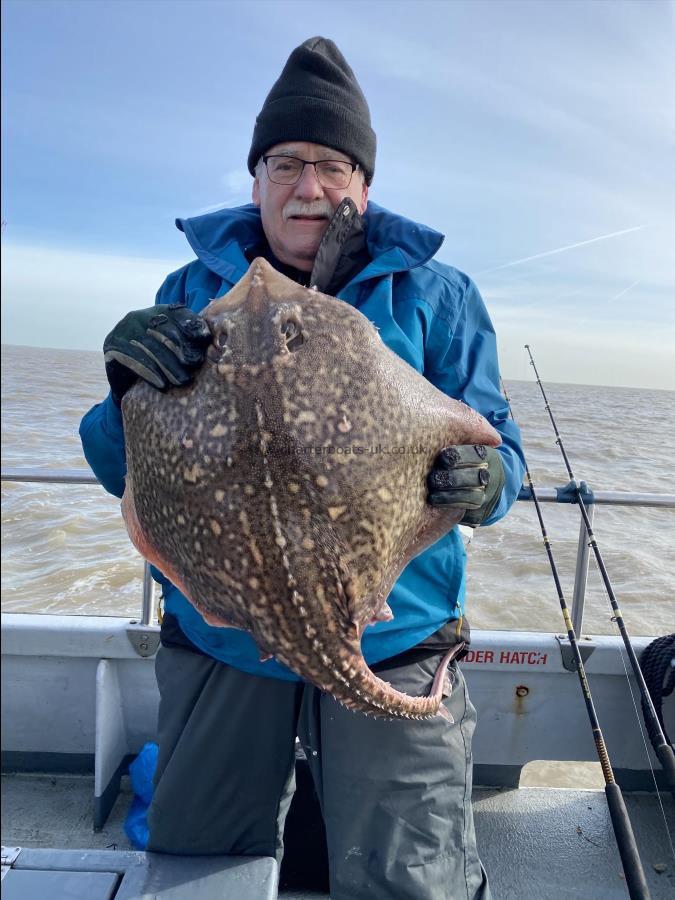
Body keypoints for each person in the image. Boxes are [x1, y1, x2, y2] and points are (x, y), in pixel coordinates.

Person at [80, 36, 525, 900]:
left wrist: (489, 479)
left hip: (392, 634)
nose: (309, 187)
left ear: (364, 182)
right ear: (255, 178)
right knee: (199, 859)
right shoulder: (186, 288)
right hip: (225, 633)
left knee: (408, 876)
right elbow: (115, 467)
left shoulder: (435, 296)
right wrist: (122, 387)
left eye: (332, 164)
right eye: (286, 164)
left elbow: (494, 448)